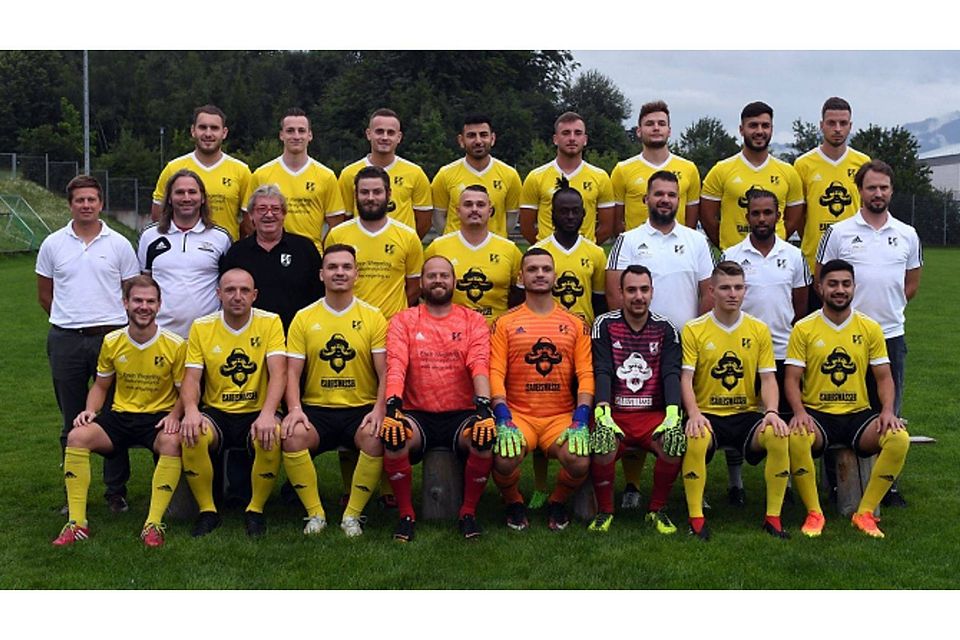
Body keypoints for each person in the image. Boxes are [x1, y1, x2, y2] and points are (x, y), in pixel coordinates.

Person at [816, 159, 922, 506]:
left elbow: (911, 284)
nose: (878, 193)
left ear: (891, 191)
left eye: (884, 187)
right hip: (842, 338)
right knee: (837, 409)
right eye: (871, 187)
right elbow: (823, 277)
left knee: (888, 408)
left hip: (889, 335)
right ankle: (835, 483)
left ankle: (887, 486)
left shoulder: (907, 234)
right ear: (859, 191)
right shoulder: (838, 232)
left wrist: (882, 316)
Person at [52, 276, 187, 547]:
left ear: (159, 305)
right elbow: (101, 385)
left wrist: (174, 416)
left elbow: (186, 391)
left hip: (157, 419)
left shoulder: (175, 344)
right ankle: (77, 523)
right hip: (120, 417)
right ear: (125, 303)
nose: (144, 306)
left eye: (150, 301)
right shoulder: (112, 341)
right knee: (77, 436)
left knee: (173, 441)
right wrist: (90, 410)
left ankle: (153, 524)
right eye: (138, 300)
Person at [605, 170, 714, 506]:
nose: (665, 199)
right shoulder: (628, 239)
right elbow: (614, 290)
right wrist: (628, 336)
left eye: (671, 194)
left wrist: (696, 336)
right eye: (659, 194)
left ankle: (695, 489)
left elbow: (706, 291)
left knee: (686, 416)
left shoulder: (696, 241)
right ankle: (634, 487)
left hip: (686, 345)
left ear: (678, 201)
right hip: (639, 347)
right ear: (646, 199)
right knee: (638, 412)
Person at [37, 174, 140, 514]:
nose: (85, 205)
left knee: (113, 416)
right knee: (71, 419)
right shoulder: (53, 244)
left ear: (101, 203)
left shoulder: (119, 244)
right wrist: (72, 320)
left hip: (110, 338)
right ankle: (74, 492)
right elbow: (45, 294)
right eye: (79, 200)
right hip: (66, 339)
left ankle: (115, 491)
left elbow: (131, 293)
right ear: (70, 204)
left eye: (91, 199)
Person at [784, 259, 910, 538]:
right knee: (796, 436)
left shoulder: (869, 327)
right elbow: (792, 378)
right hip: (818, 415)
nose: (839, 290)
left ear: (854, 287)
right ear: (819, 288)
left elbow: (884, 377)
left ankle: (864, 513)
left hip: (858, 415)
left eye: (845, 284)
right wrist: (799, 412)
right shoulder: (804, 328)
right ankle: (814, 513)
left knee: (898, 438)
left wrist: (888, 411)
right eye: (832, 284)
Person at [379, 256, 495, 540]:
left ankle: (468, 513)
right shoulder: (403, 319)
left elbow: (478, 363)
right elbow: (396, 365)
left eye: (444, 275)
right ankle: (406, 514)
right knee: (393, 438)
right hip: (418, 414)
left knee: (483, 439)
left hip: (461, 413)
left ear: (455, 282)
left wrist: (484, 408)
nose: (438, 280)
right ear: (421, 282)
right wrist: (392, 407)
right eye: (431, 276)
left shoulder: (473, 319)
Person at [281, 244, 388, 537]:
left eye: (346, 267)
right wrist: (294, 410)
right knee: (291, 436)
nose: (339, 273)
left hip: (361, 408)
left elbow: (384, 371)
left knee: (377, 437)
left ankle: (351, 516)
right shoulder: (304, 317)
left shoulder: (373, 316)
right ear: (321, 274)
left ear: (356, 274)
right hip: (317, 409)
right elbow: (292, 371)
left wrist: (380, 409)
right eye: (332, 267)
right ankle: (315, 514)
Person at [680, 261, 791, 540]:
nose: (733, 293)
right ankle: (696, 519)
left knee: (777, 435)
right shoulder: (694, 329)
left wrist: (773, 412)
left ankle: (773, 518)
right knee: (695, 438)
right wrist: (693, 414)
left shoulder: (758, 329)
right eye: (725, 287)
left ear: (745, 290)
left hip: (746, 414)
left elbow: (768, 379)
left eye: (738, 287)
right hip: (707, 414)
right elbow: (685, 379)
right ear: (712, 290)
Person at [489, 248, 595, 532]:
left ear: (555, 276)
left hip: (559, 416)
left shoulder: (576, 324)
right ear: (521, 277)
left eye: (546, 269)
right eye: (532, 269)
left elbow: (585, 374)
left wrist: (581, 418)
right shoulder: (504, 323)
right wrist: (502, 416)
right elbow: (495, 372)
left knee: (579, 461)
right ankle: (513, 501)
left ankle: (558, 500)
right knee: (503, 456)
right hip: (518, 415)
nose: (539, 274)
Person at [178, 268, 287, 537]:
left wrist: (268, 413)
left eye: (244, 290)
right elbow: (191, 378)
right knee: (193, 434)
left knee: (270, 433)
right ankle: (208, 512)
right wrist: (191, 411)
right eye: (230, 290)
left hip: (257, 410)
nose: (237, 296)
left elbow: (279, 373)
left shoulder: (270, 322)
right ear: (219, 294)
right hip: (218, 412)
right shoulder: (202, 327)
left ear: (254, 295)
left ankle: (255, 510)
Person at [588, 265, 685, 533]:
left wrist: (673, 413)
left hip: (652, 415)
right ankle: (605, 511)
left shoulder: (666, 328)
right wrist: (603, 412)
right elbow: (603, 368)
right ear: (620, 292)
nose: (638, 296)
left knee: (674, 441)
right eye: (631, 290)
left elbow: (670, 372)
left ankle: (656, 509)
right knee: (603, 440)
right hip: (616, 411)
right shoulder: (604, 324)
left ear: (652, 292)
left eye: (644, 289)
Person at [138, 169, 232, 338]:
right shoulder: (150, 236)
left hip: (207, 336)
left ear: (202, 198)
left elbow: (226, 287)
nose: (186, 198)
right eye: (179, 192)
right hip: (161, 335)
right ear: (169, 199)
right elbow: (144, 286)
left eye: (192, 192)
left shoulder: (221, 238)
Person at [700, 101, 803, 250]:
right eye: (753, 125)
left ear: (772, 129)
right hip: (733, 263)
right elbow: (708, 219)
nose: (760, 131)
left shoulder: (788, 172)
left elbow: (793, 220)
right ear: (741, 130)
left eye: (765, 126)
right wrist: (730, 248)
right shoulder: (720, 170)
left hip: (775, 258)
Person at [325, 165, 424, 320]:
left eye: (377, 192)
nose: (370, 198)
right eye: (364, 192)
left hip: (392, 328)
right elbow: (331, 282)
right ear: (355, 194)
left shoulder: (408, 236)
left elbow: (414, 287)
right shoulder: (337, 235)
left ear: (389, 194)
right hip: (349, 325)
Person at [792, 97, 870, 290]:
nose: (837, 128)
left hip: (854, 258)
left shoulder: (862, 163)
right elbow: (799, 216)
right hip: (813, 261)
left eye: (843, 123)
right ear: (821, 125)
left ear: (850, 126)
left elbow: (867, 211)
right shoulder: (803, 164)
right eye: (831, 123)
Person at [221, 184, 323, 332]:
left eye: (275, 209)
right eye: (262, 209)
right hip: (250, 337)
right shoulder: (237, 253)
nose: (269, 215)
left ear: (284, 214)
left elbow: (318, 296)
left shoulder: (305, 249)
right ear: (251, 215)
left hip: (297, 335)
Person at [248, 108, 345, 251]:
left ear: (310, 135)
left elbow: (335, 225)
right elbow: (250, 220)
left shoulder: (326, 176)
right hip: (270, 252)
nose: (296, 136)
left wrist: (317, 249)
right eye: (290, 130)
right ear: (281, 135)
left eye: (301, 130)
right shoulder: (261, 174)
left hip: (310, 256)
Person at [424, 184, 522, 325]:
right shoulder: (437, 247)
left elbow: (519, 294)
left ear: (490, 211)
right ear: (458, 211)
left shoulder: (510, 250)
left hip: (496, 334)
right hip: (450, 332)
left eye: (480, 205)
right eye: (468, 205)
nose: (474, 209)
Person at [151, 105, 252, 241]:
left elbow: (249, 222)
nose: (208, 134)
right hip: (182, 253)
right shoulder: (173, 168)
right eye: (202, 127)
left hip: (226, 255)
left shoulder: (241, 171)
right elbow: (158, 214)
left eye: (214, 128)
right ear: (193, 131)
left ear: (224, 132)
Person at [519, 112, 615, 244]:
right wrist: (546, 248)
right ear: (555, 139)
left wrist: (585, 248)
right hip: (547, 259)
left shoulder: (601, 177)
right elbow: (526, 228)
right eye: (565, 133)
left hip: (584, 258)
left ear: (585, 139)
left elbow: (606, 227)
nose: (572, 138)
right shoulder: (536, 177)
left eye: (578, 133)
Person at [336, 108, 433, 238]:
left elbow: (424, 221)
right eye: (379, 132)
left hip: (399, 249)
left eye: (390, 133)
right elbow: (345, 218)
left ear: (399, 137)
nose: (385, 137)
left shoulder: (415, 173)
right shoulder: (349, 174)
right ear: (369, 134)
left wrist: (405, 242)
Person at [611, 100, 701, 232]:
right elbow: (617, 221)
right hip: (638, 249)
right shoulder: (622, 170)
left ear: (669, 131)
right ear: (639, 131)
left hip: (677, 249)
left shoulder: (689, 169)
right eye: (649, 124)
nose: (656, 128)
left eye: (662, 124)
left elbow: (691, 220)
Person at [431, 114, 522, 237]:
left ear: (493, 138)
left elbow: (511, 218)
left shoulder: (510, 175)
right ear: (461, 140)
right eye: (471, 135)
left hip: (494, 250)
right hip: (455, 252)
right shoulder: (445, 174)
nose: (478, 141)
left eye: (483, 135)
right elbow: (438, 218)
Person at [532, 181, 608, 325]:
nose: (570, 216)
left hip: (584, 333)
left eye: (575, 211)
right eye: (564, 211)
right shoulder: (538, 252)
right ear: (552, 214)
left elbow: (600, 302)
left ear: (583, 214)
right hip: (547, 329)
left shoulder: (596, 253)